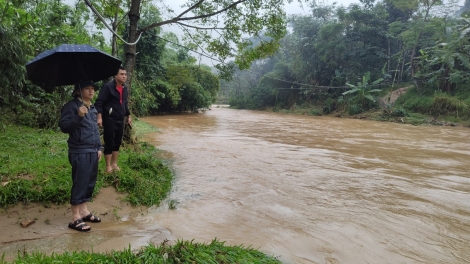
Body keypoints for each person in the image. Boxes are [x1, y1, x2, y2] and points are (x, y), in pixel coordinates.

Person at [59, 80, 103, 232]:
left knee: (89, 182)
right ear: (78, 91)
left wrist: (99, 147)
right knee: (80, 182)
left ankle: (84, 211)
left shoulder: (92, 107)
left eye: (93, 89)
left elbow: (94, 130)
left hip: (92, 150)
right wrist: (78, 116)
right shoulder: (71, 107)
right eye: (87, 88)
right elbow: (64, 127)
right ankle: (75, 217)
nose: (91, 91)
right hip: (79, 150)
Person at [95, 66, 132, 173]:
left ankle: (114, 164)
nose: (124, 76)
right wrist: (99, 117)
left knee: (117, 142)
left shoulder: (125, 89)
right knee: (109, 142)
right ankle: (108, 167)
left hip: (120, 119)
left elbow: (124, 104)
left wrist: (128, 116)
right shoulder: (108, 87)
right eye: (121, 74)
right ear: (115, 76)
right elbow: (99, 102)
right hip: (110, 119)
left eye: (125, 74)